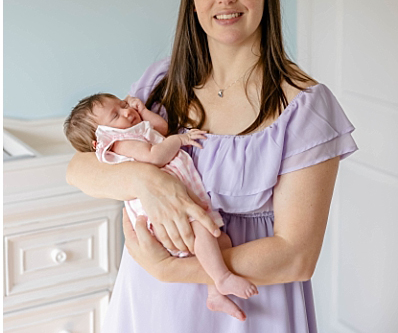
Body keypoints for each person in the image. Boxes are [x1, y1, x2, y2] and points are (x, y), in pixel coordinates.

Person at [66, 0, 357, 333]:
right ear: (193, 0)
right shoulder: (161, 83)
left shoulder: (305, 106)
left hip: (247, 313)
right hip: (149, 305)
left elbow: (296, 256)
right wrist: (145, 180)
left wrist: (171, 270)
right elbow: (78, 167)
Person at [65, 92, 258, 321]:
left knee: (221, 242)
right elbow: (154, 156)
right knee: (204, 234)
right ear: (102, 136)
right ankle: (222, 277)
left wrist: (144, 112)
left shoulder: (135, 128)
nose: (127, 111)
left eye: (123, 104)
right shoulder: (120, 143)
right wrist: (180, 140)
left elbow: (161, 130)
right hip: (168, 213)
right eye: (115, 115)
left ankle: (215, 292)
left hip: (180, 202)